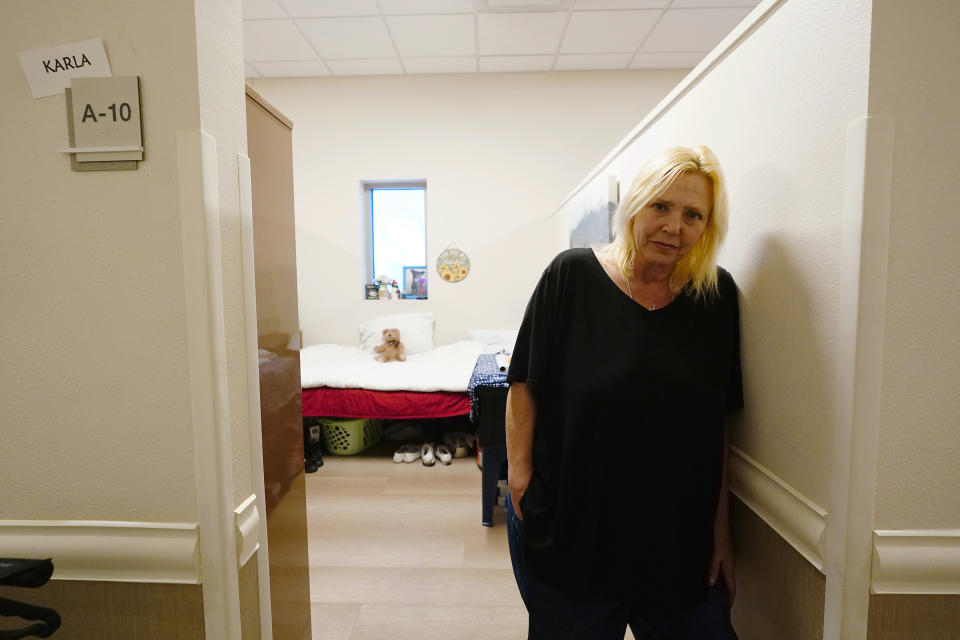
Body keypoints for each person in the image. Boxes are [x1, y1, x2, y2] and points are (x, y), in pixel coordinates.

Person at [505, 145, 742, 639]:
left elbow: (715, 423)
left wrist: (721, 530)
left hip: (678, 541)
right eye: (661, 206)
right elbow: (525, 383)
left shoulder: (715, 298)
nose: (674, 227)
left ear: (707, 226)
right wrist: (521, 478)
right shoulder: (570, 277)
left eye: (693, 214)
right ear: (634, 205)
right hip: (577, 529)